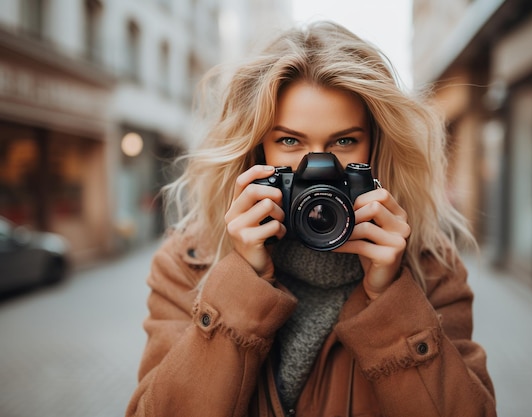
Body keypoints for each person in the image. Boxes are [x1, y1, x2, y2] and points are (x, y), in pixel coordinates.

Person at [126, 21, 496, 417]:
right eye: (289, 141)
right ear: (258, 150)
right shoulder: (187, 264)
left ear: (374, 148)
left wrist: (391, 297)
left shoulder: (433, 269)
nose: (319, 166)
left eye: (344, 141)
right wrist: (240, 283)